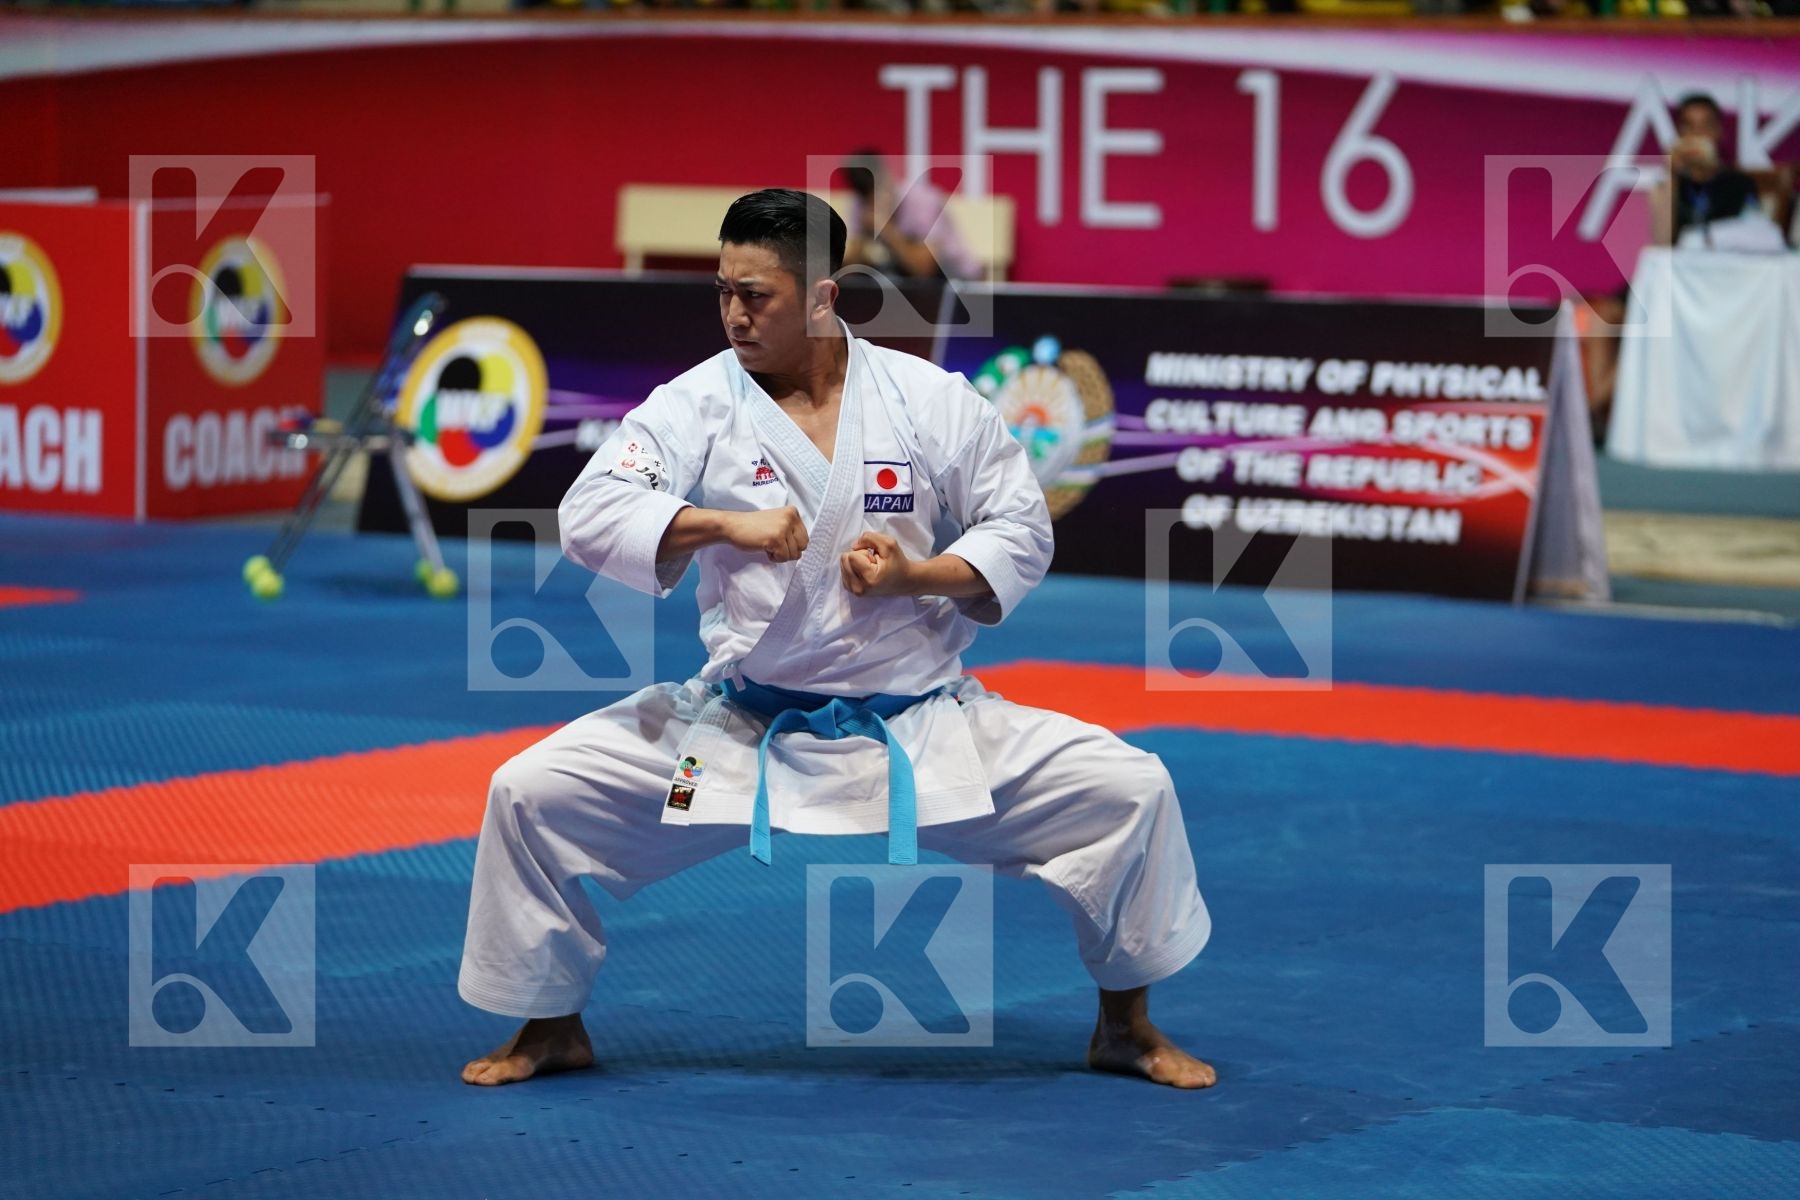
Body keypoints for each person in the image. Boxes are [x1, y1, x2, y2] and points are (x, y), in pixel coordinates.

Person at [457, 188, 1215, 1091]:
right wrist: (719, 526)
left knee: (1130, 789)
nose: (734, 314)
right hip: (741, 729)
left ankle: (1124, 1027)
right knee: (530, 793)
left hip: (923, 723)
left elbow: (1021, 526)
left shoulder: (927, 399)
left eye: (758, 295)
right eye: (723, 290)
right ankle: (551, 1026)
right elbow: (590, 513)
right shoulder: (695, 403)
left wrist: (915, 576)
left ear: (825, 294)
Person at [840, 150, 982, 281]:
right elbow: (850, 271)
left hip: (956, 279)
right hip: (909, 281)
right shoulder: (861, 203)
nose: (874, 199)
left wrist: (887, 230)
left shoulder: (923, 201)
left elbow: (924, 269)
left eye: (878, 188)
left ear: (887, 177)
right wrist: (862, 238)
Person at [1651, 92, 1762, 247]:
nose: (1698, 134)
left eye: (1706, 126)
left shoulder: (1740, 184)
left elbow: (1755, 236)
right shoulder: (1669, 183)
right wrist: (1671, 175)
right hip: (1679, 267)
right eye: (1689, 126)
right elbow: (1662, 243)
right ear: (1679, 133)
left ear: (1719, 132)